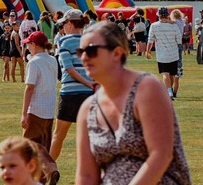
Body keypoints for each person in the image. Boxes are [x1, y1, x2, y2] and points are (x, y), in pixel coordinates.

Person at [75, 22, 191, 184]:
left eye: (91, 51)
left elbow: (161, 154)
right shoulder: (88, 109)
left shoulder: (146, 89)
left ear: (117, 53)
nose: (84, 57)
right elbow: (86, 175)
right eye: (80, 51)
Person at [50, 9, 96, 161]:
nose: (62, 26)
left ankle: (48, 171)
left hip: (70, 93)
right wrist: (90, 83)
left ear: (70, 23)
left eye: (63, 23)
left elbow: (68, 68)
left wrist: (86, 82)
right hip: (89, 94)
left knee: (58, 136)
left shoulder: (63, 41)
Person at [20, 31, 59, 184]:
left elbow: (30, 87)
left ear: (34, 45)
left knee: (30, 145)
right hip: (49, 109)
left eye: (29, 44)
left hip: (36, 109)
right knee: (43, 145)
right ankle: (41, 179)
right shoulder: (52, 60)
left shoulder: (34, 62)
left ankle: (50, 169)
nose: (28, 47)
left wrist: (23, 113)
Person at [146, 7, 182, 100]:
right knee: (172, 74)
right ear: (167, 15)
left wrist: (148, 51)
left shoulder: (154, 26)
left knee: (165, 74)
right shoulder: (174, 26)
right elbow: (179, 41)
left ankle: (168, 93)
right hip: (174, 54)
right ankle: (169, 91)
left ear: (158, 15)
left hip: (162, 55)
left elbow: (150, 40)